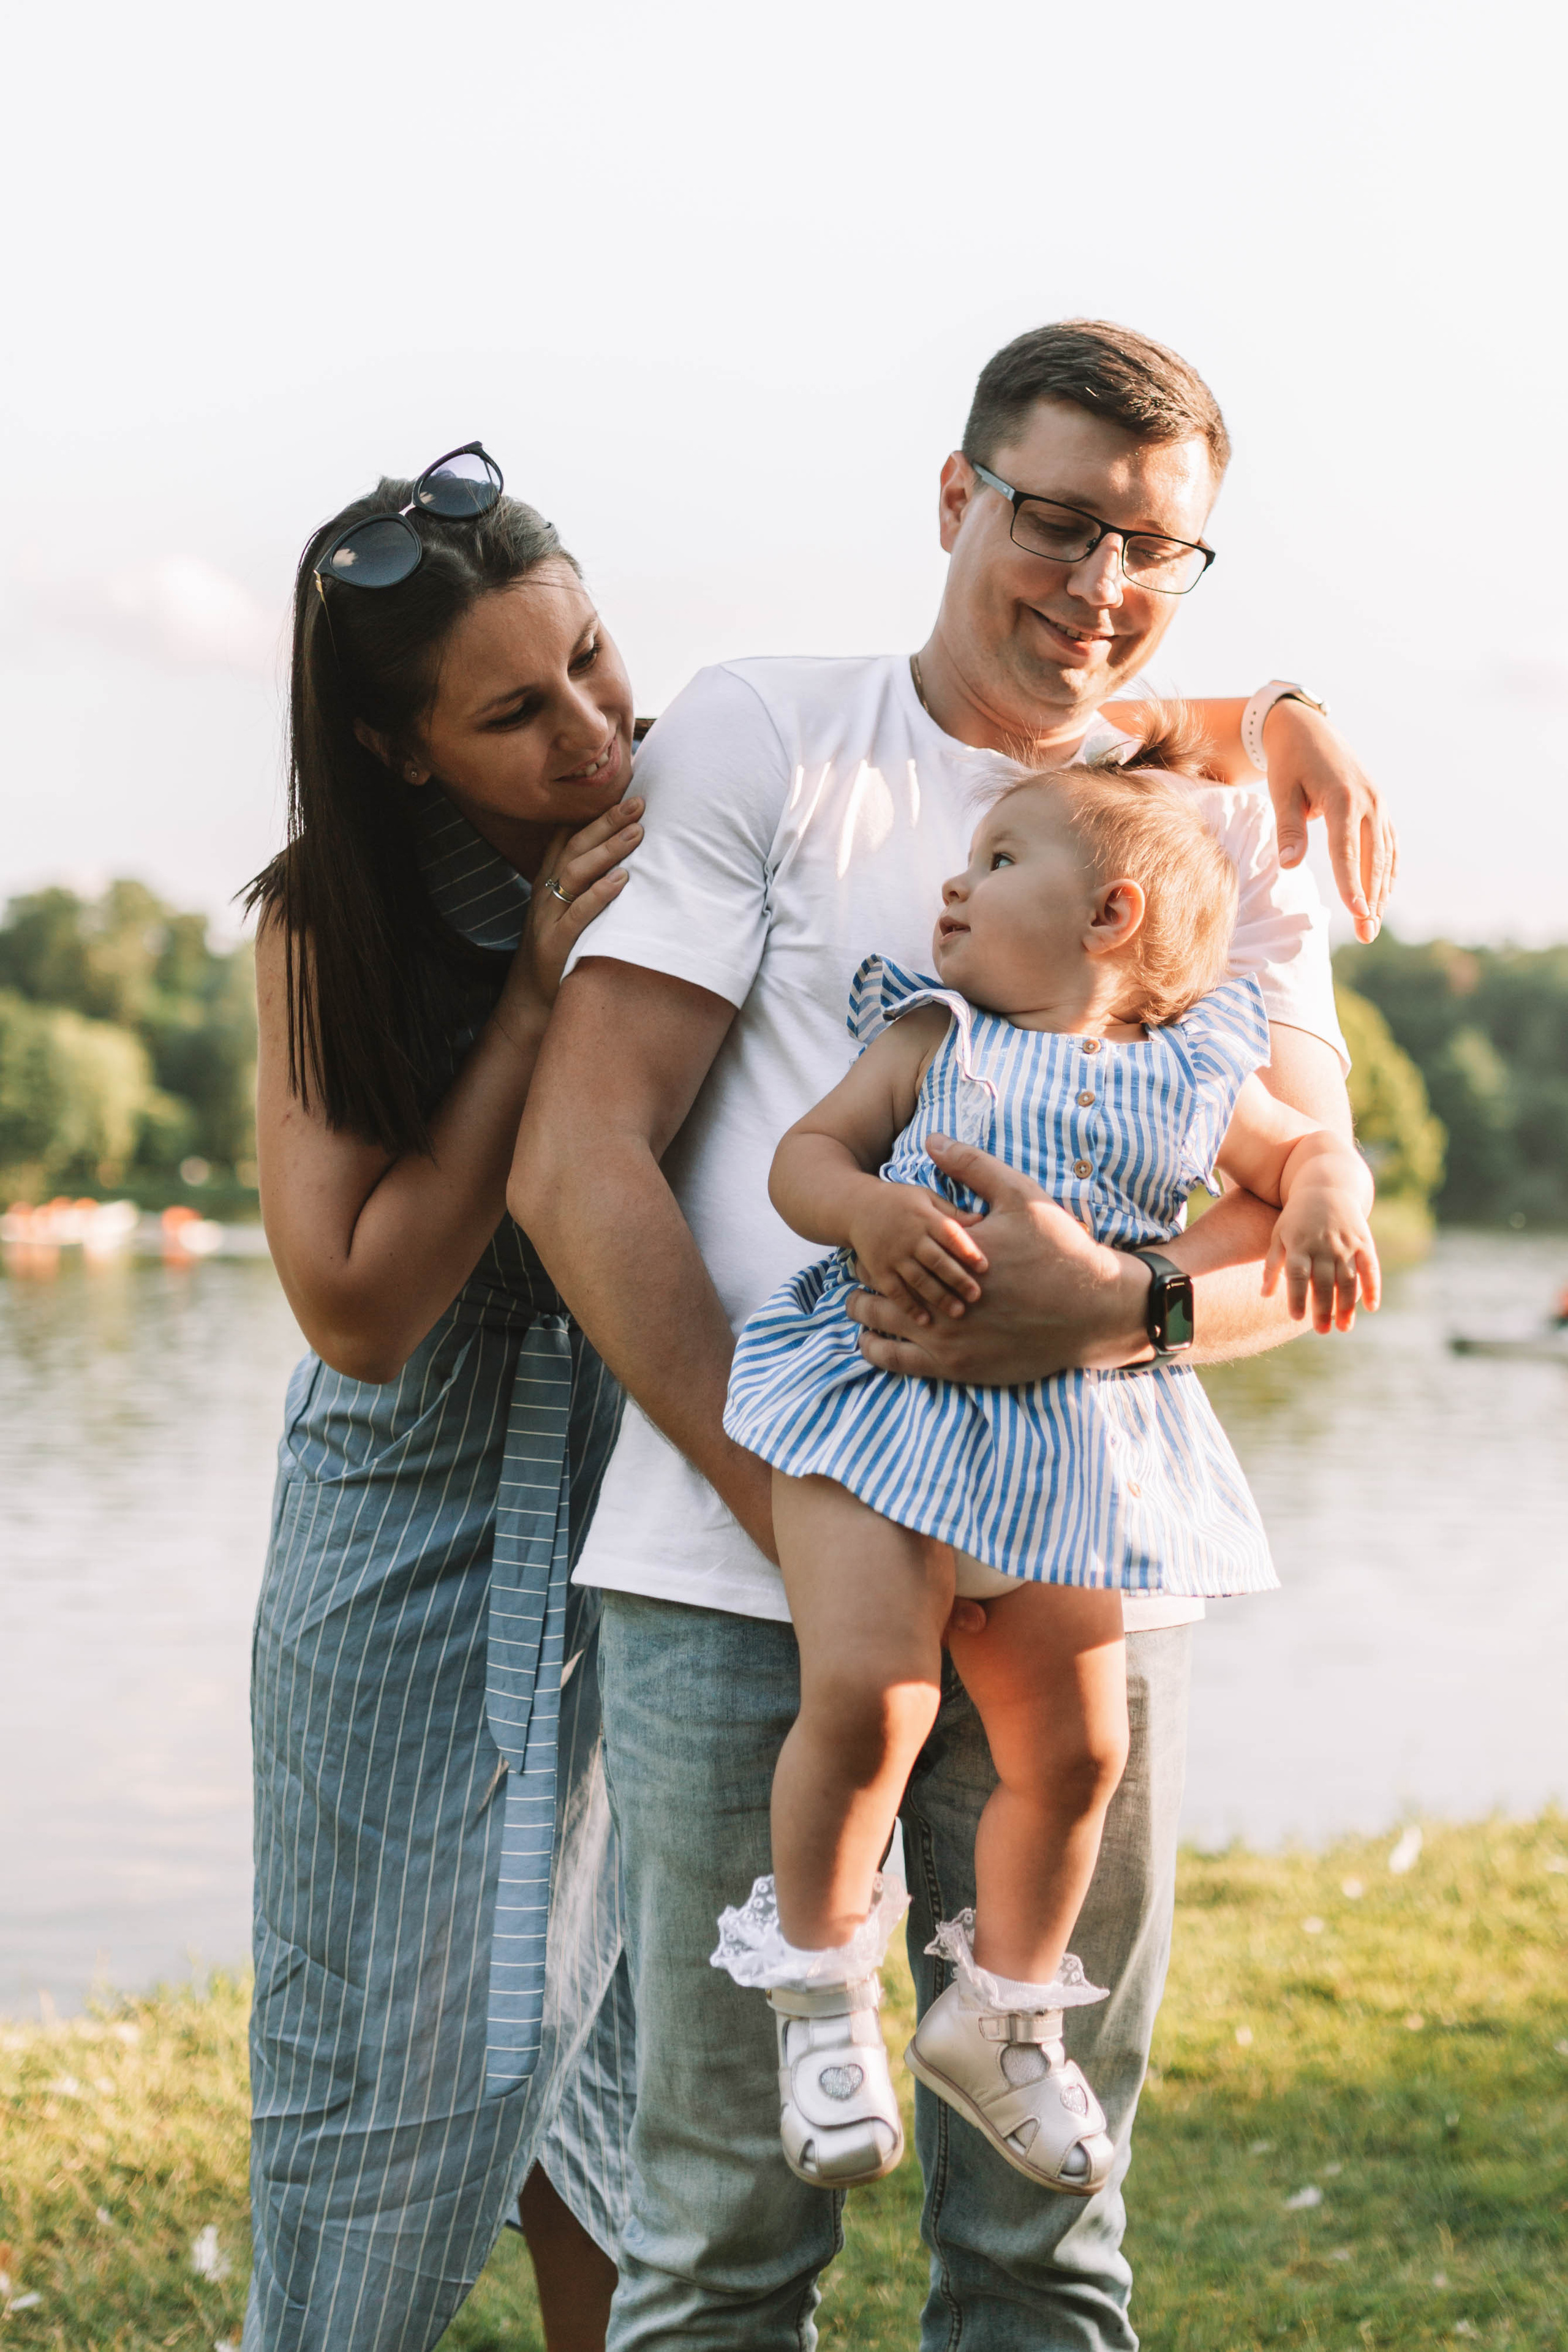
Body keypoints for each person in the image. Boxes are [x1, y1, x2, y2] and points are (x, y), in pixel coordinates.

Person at [510, 318, 1392, 2348]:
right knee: (724, 2237)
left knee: (1043, 2244)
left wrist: (1127, 1310)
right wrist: (819, 1517)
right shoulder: (769, 738)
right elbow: (583, 1163)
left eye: (1153, 549)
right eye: (1058, 519)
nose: (1099, 586)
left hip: (1085, 1551)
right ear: (955, 500)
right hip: (743, 1571)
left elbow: (1303, 1223)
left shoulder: (1222, 836)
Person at [712, 747, 1379, 2196]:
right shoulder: (928, 1032)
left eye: (1002, 861)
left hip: (1068, 1445)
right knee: (871, 1698)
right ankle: (821, 1988)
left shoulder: (1197, 1057)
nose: (955, 882)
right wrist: (871, 1209)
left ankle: (1000, 2016)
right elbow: (801, 1160)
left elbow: (1305, 1156)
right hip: (880, 1409)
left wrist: (1328, 1201)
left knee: (1078, 1753)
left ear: (1110, 917)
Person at [244, 445, 641, 2352]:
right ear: (402, 749)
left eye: (590, 660)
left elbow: (949, 720)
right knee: (373, 2081)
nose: (588, 732)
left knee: (629, 2088)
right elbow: (355, 1306)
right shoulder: (330, 923)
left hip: (643, 1542)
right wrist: (537, 997)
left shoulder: (691, 811)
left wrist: (1264, 715)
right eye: (513, 710)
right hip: (402, 1563)